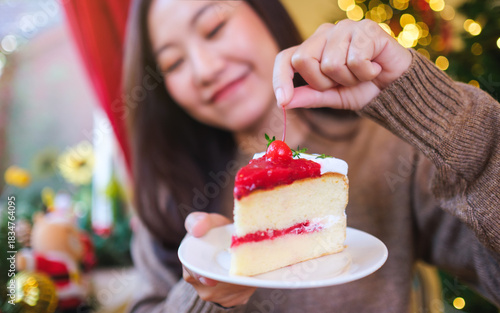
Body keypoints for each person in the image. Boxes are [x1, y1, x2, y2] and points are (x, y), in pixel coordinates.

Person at [123, 0, 500, 312]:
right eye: (172, 64)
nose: (205, 70)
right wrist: (203, 290)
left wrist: (448, 120)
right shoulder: (170, 189)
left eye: (213, 28)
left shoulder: (389, 149)